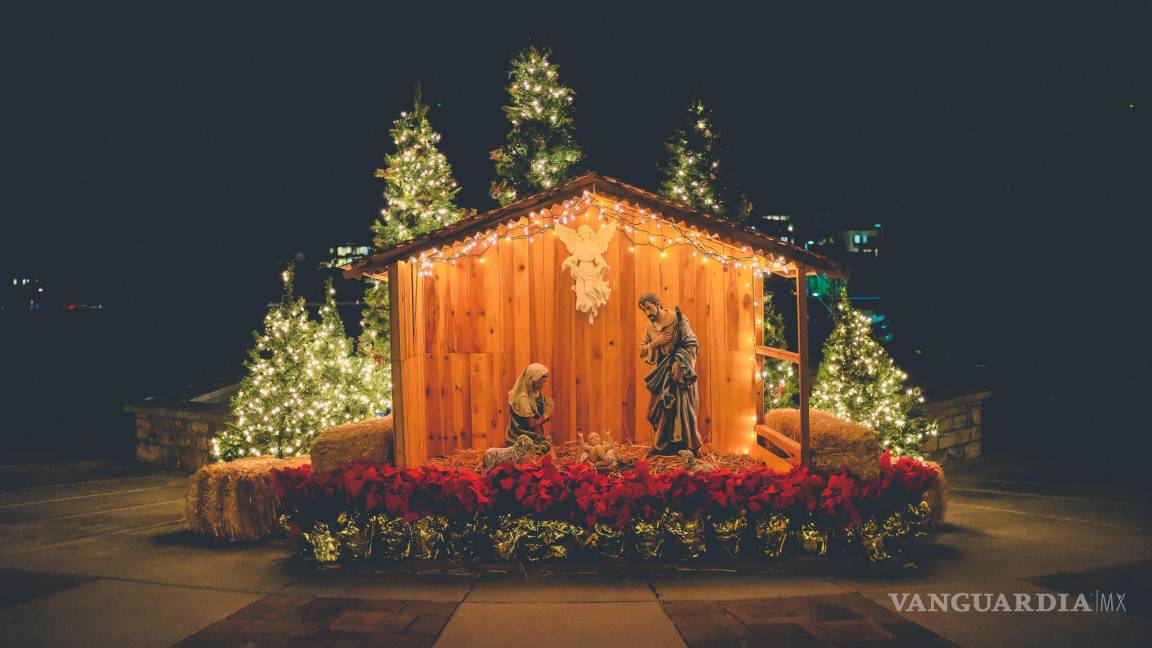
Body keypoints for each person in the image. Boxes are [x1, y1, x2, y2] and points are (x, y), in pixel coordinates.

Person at [638, 293, 701, 455]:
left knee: (683, 407)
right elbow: (642, 351)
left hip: (681, 373)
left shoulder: (678, 319)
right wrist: (655, 343)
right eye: (644, 310)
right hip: (662, 372)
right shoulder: (650, 327)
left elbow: (692, 343)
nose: (647, 313)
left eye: (649, 308)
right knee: (659, 407)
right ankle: (662, 444)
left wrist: (679, 363)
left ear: (658, 304)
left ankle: (688, 445)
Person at [505, 363, 555, 450]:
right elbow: (532, 424)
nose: (543, 385)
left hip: (535, 435)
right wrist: (546, 414)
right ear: (532, 381)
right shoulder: (523, 399)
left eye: (544, 382)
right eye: (541, 382)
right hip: (522, 437)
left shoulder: (535, 391)